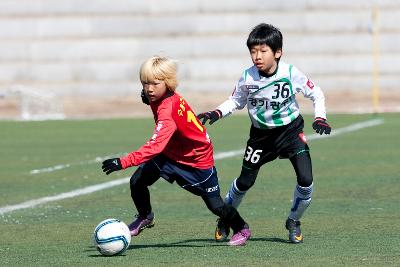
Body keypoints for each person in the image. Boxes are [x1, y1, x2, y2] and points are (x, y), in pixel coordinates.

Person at [198, 23, 331, 244]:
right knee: (244, 182)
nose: (257, 56)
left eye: (263, 51)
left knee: (306, 180)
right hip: (261, 137)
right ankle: (226, 217)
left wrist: (320, 117)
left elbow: (316, 93)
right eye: (253, 51)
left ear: (277, 52)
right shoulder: (247, 77)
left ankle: (294, 220)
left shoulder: (290, 72)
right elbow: (236, 100)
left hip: (290, 132)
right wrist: (217, 112)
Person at [101, 56, 251, 246]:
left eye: (155, 83)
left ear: (168, 83)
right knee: (137, 181)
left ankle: (242, 228)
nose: (149, 89)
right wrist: (149, 97)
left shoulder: (166, 110)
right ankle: (145, 216)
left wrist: (123, 162)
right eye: (145, 83)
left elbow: (155, 146)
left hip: (196, 160)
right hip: (171, 152)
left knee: (216, 206)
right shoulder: (158, 95)